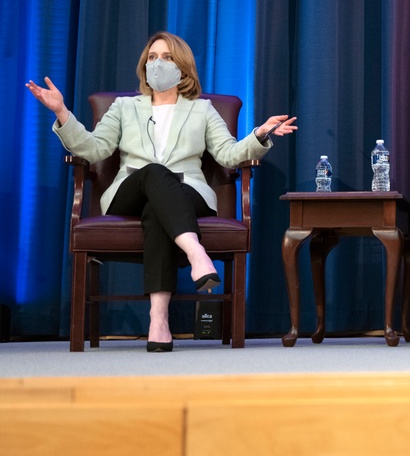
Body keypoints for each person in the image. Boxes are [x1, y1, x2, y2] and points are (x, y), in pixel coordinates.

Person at [26, 31, 297, 352]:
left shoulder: (203, 110)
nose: (158, 63)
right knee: (153, 171)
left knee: (158, 210)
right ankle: (196, 253)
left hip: (188, 193)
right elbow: (94, 149)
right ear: (144, 65)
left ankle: (158, 319)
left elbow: (227, 155)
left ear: (182, 67)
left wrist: (261, 133)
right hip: (128, 192)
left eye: (167, 57)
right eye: (152, 57)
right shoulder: (124, 107)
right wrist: (62, 112)